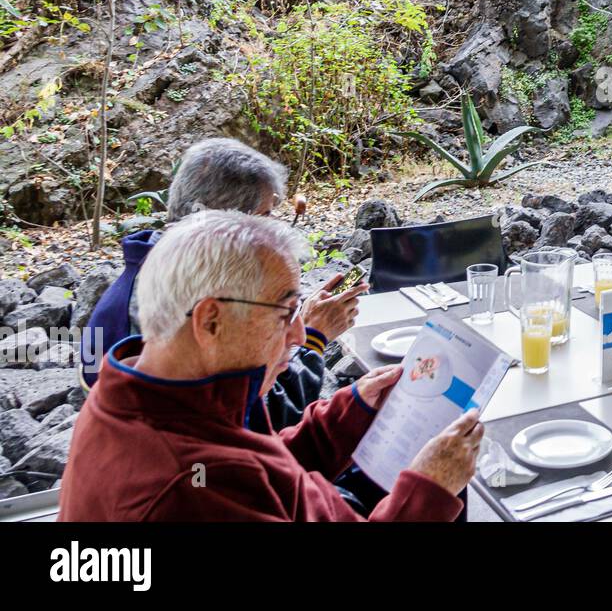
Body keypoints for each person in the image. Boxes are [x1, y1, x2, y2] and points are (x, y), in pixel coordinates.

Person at [59, 210, 482, 521]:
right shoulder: (186, 487)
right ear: (211, 321)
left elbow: (262, 469)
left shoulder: (158, 389)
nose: (300, 336)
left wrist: (348, 411)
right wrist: (426, 493)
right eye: (285, 314)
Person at [80, 138, 361, 431]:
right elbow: (257, 420)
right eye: (265, 216)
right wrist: (314, 337)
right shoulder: (182, 305)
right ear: (218, 220)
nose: (273, 229)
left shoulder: (166, 269)